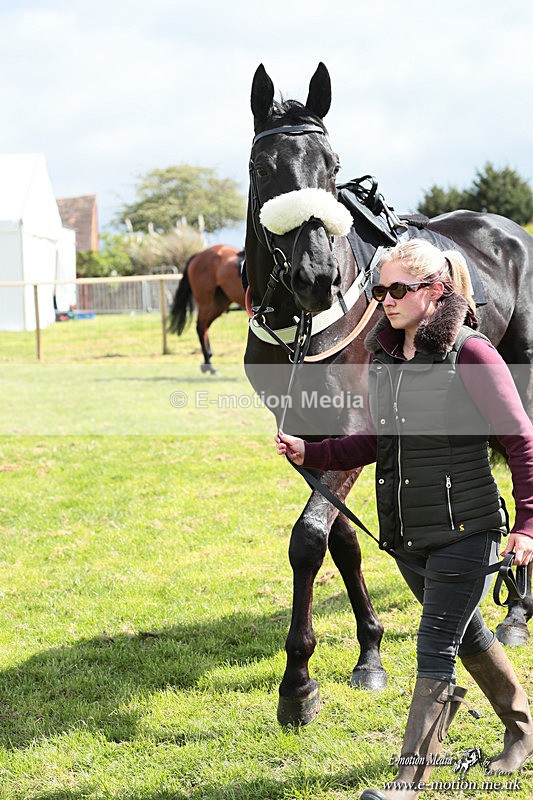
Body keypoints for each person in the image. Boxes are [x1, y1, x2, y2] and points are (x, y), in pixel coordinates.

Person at [275, 238, 533, 800]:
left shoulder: (473, 354)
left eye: (398, 289)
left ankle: (407, 783)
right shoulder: (389, 357)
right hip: (408, 533)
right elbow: (376, 440)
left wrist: (528, 526)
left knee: (434, 645)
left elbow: (521, 441)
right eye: (379, 289)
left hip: (467, 528)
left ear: (436, 292)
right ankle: (522, 730)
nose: (385, 300)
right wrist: (311, 453)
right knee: (468, 633)